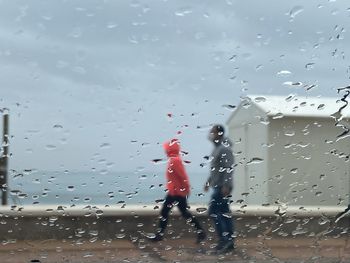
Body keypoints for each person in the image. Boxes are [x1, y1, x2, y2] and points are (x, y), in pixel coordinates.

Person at [149, 138, 206, 243]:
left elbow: (183, 176)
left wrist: (186, 189)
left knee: (168, 212)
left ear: (170, 149)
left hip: (177, 193)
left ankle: (160, 235)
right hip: (174, 192)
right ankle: (200, 232)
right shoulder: (174, 159)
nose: (165, 151)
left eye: (166, 149)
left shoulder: (175, 161)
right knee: (181, 213)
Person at [204, 124, 234, 253]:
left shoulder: (224, 149)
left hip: (222, 187)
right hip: (218, 185)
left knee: (214, 212)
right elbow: (215, 169)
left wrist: (226, 186)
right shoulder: (216, 149)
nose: (210, 135)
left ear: (219, 134)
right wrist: (208, 182)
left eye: (213, 133)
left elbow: (228, 167)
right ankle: (229, 242)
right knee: (225, 213)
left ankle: (225, 240)